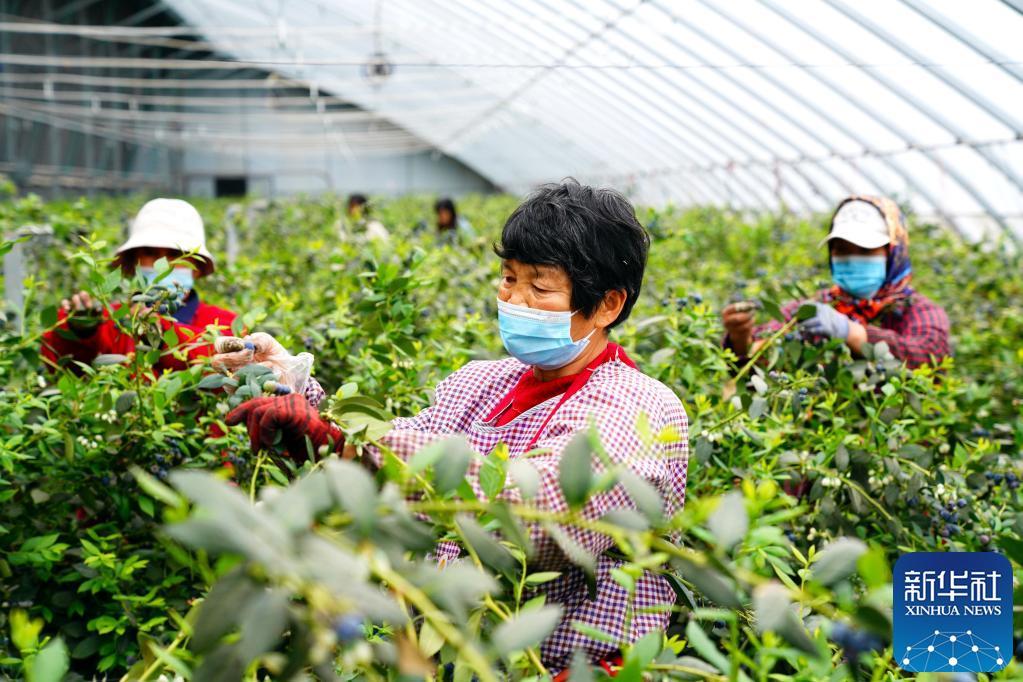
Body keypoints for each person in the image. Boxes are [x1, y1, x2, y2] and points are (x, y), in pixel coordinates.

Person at [222, 181, 689, 672]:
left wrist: (352, 447)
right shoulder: (482, 382)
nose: (515, 299)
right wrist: (293, 386)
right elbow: (406, 442)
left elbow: (539, 517)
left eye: (539, 287)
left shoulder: (636, 406)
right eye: (509, 278)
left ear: (608, 305)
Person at [42, 198, 326, 405]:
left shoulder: (225, 326)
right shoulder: (111, 321)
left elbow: (230, 384)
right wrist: (77, 334)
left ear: (198, 267)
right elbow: (61, 372)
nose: (163, 265)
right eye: (150, 254)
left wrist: (161, 333)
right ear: (132, 263)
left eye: (176, 255)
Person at [722, 195, 950, 369]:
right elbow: (759, 359)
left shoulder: (919, 310)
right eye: (841, 249)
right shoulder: (818, 308)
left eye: (865, 250)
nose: (851, 259)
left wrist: (851, 332)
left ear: (893, 253)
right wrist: (740, 338)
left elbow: (927, 356)